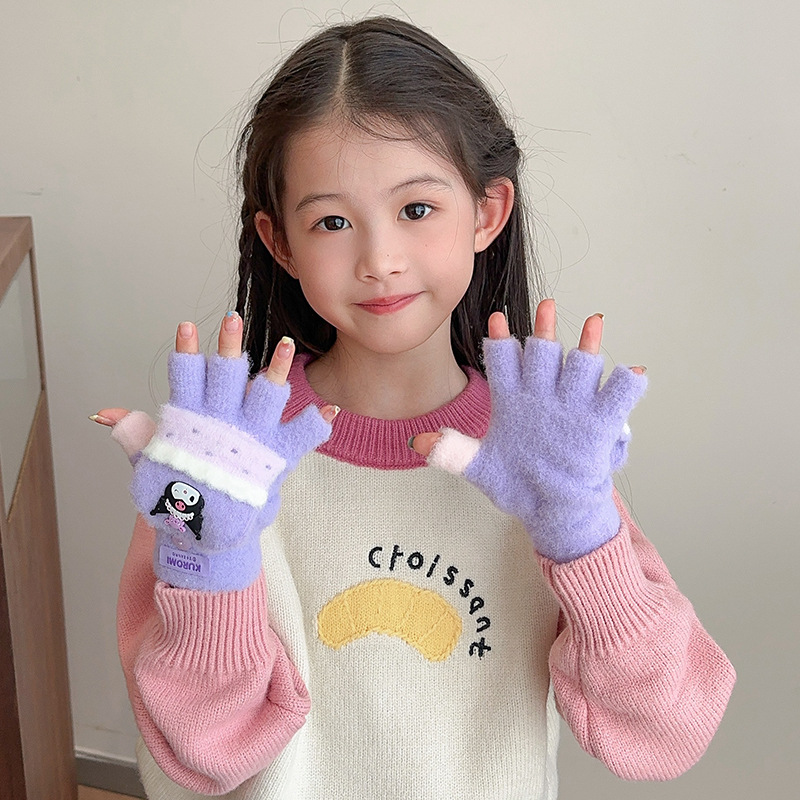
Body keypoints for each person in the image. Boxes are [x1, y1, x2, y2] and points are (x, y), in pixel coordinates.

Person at [93, 16, 735, 799]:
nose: (380, 259)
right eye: (332, 222)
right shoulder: (219, 463)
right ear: (280, 241)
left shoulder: (544, 459)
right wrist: (212, 561)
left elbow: (666, 732)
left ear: (487, 212)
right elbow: (200, 755)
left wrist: (582, 533)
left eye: (417, 209)